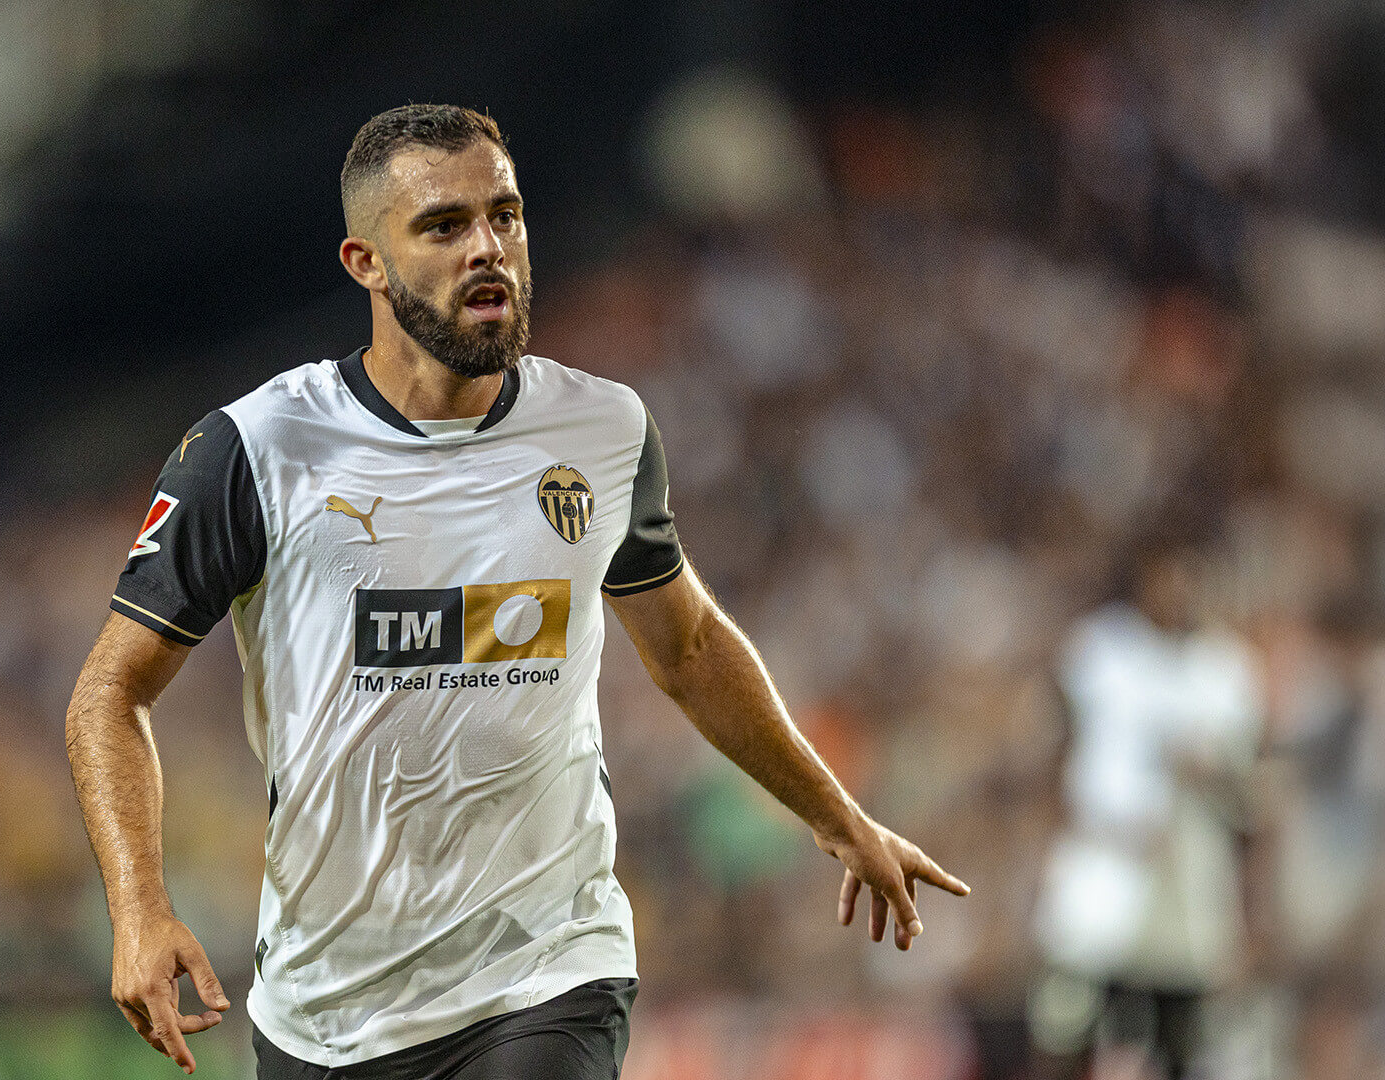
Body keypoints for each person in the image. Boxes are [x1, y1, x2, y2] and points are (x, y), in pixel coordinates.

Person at [66, 104, 969, 1079]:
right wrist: (140, 910)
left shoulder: (604, 430)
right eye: (445, 226)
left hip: (548, 970)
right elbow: (109, 696)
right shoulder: (255, 451)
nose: (488, 248)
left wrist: (839, 818)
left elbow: (692, 649)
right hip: (328, 1007)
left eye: (506, 215)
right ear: (365, 261)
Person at [1032, 538, 1262, 1080]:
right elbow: (1055, 750)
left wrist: (1212, 773)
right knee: (1070, 1027)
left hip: (1184, 872)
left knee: (1177, 1035)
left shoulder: (1225, 670)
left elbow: (1249, 793)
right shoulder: (1101, 653)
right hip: (1104, 859)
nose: (1175, 594)